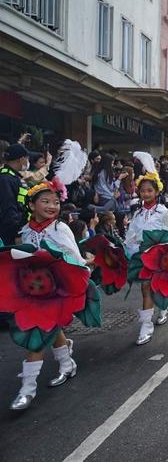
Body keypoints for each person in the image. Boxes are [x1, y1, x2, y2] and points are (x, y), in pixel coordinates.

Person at [7, 140, 94, 410]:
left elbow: (74, 258)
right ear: (32, 205)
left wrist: (82, 266)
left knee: (37, 334)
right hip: (34, 290)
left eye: (56, 202)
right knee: (49, 328)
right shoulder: (25, 231)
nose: (51, 206)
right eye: (45, 201)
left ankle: (27, 389)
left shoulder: (60, 229)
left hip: (57, 291)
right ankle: (67, 364)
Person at [124, 161, 168, 345]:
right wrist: (127, 250)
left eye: (149, 190)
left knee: (158, 285)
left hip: (159, 255)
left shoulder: (164, 212)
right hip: (142, 256)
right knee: (145, 287)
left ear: (157, 192)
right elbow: (131, 235)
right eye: (143, 191)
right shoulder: (137, 213)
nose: (146, 194)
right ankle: (146, 326)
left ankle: (164, 306)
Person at [0, 143, 31, 245]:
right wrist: (16, 234)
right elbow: (9, 209)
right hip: (10, 235)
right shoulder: (5, 179)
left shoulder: (13, 177)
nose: (28, 162)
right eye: (27, 159)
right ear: (22, 159)